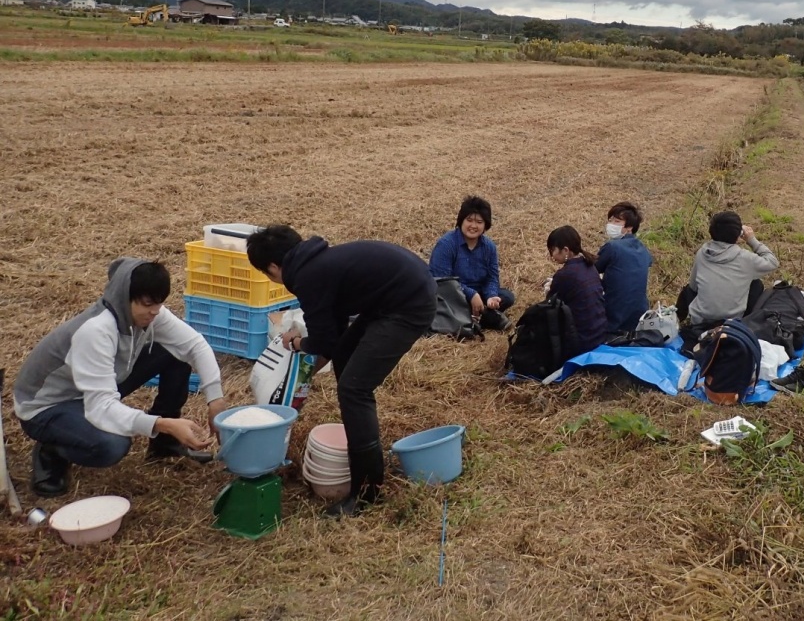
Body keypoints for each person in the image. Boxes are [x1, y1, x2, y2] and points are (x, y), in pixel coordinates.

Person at [246, 225, 436, 518]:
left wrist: (297, 343)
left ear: (272, 267)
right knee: (345, 357)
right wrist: (300, 378)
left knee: (354, 389)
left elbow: (321, 341)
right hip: (396, 295)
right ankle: (359, 452)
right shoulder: (317, 263)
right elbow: (333, 338)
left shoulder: (307, 277)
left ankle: (367, 491)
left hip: (408, 304)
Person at [13, 259, 227, 499]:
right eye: (147, 304)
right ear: (125, 298)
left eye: (159, 303)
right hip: (47, 406)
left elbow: (195, 345)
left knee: (175, 352)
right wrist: (162, 423)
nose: (155, 311)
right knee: (112, 445)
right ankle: (52, 450)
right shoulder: (95, 331)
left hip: (93, 385)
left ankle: (165, 445)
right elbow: (100, 406)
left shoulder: (151, 315)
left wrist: (215, 400)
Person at [429, 196, 515, 331]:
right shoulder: (446, 244)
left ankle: (477, 315)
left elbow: (492, 277)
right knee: (443, 302)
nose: (473, 226)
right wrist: (471, 294)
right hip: (452, 295)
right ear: (461, 221)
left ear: (485, 225)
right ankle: (484, 317)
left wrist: (491, 296)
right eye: (469, 220)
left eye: (479, 222)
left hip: (479, 293)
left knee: (507, 297)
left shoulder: (489, 247)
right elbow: (442, 282)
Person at [679, 211, 779, 328]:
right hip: (732, 323)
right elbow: (773, 262)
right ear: (738, 235)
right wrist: (751, 240)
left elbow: (693, 288)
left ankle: (675, 320)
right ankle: (747, 323)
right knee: (756, 284)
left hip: (700, 322)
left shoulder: (702, 253)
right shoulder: (746, 259)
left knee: (689, 288)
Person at [545, 226, 609, 356]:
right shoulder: (590, 266)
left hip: (582, 342)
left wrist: (548, 291)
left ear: (565, 250)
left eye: (553, 250)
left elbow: (550, 307)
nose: (552, 256)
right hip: (600, 334)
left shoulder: (564, 274)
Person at [594, 201, 653, 335]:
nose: (611, 224)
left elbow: (593, 269)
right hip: (640, 316)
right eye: (610, 220)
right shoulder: (644, 250)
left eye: (617, 221)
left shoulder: (612, 247)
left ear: (629, 227)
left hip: (614, 316)